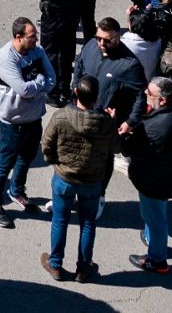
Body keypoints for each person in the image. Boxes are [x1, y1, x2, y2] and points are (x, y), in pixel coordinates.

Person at [39, 75, 116, 283]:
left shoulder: (61, 116)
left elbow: (46, 145)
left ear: (75, 93)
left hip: (64, 178)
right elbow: (115, 148)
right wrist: (112, 120)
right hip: (92, 181)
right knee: (88, 223)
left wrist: (55, 162)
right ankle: (83, 268)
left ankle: (55, 265)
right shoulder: (105, 122)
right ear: (97, 97)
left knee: (60, 220)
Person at [123, 75, 172, 273]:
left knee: (154, 218)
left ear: (162, 100)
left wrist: (121, 135)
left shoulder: (154, 128)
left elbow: (131, 150)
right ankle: (151, 238)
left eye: (149, 93)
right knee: (156, 214)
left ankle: (157, 260)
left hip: (154, 181)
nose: (145, 95)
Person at [0, 16, 54, 229]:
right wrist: (38, 84)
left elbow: (51, 80)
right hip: (12, 122)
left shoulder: (37, 50)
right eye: (32, 37)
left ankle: (17, 191)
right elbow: (23, 89)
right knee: (5, 163)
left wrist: (36, 86)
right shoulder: (6, 58)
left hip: (33, 117)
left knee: (27, 157)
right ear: (18, 37)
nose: (37, 41)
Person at [72, 16, 148, 124]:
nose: (101, 43)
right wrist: (76, 87)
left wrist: (130, 121)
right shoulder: (91, 45)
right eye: (98, 38)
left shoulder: (130, 65)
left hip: (104, 121)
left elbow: (141, 95)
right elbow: (79, 65)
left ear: (118, 38)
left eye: (107, 40)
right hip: (81, 112)